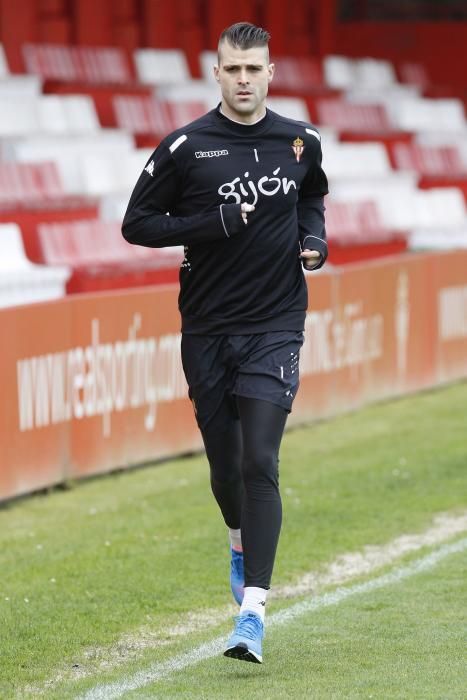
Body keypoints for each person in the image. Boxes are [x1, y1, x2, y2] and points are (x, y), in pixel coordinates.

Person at [122, 21, 328, 664]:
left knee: (259, 459)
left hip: (276, 323)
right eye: (233, 69)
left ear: (271, 72)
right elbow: (137, 225)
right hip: (208, 328)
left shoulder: (300, 142)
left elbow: (312, 196)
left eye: (254, 68)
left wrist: (313, 239)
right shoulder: (185, 148)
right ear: (216, 73)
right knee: (226, 467)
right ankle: (238, 540)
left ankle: (253, 614)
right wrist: (208, 224)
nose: (244, 79)